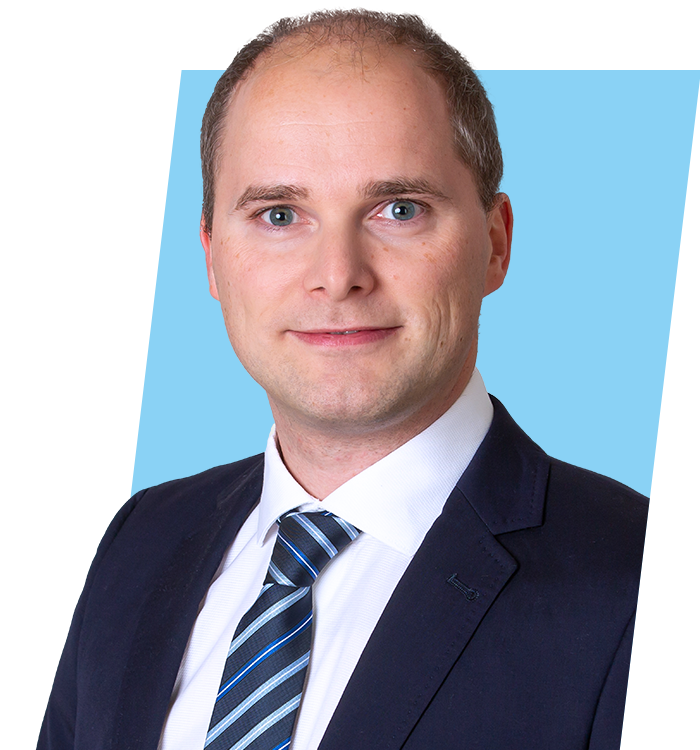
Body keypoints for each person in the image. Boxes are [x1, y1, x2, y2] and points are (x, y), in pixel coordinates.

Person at [37, 8, 648, 750]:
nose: (337, 275)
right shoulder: (140, 540)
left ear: (494, 244)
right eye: (279, 214)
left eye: (399, 210)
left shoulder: (623, 578)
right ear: (211, 256)